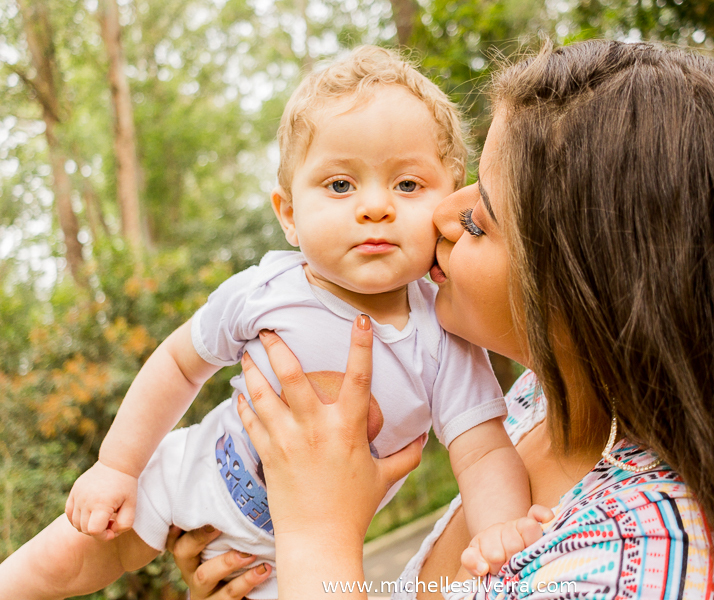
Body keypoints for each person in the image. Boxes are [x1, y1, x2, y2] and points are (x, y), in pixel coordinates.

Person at [172, 39, 714, 600]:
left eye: (482, 219)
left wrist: (319, 534)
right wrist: (280, 564)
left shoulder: (639, 557)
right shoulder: (537, 404)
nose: (441, 213)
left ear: (597, 290)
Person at [0, 46, 530, 600]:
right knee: (64, 559)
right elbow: (180, 364)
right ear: (289, 215)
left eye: (407, 185)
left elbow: (484, 451)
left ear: (452, 199)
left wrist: (500, 530)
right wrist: (117, 466)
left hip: (287, 562)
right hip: (190, 476)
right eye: (341, 185)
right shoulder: (267, 289)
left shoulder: (442, 337)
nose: (376, 207)